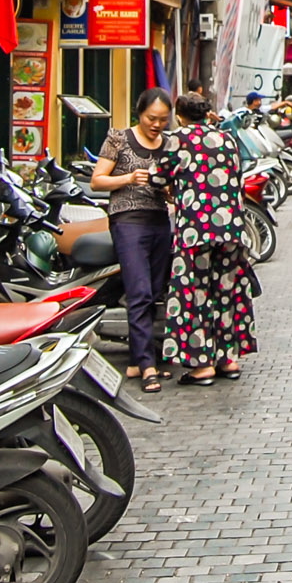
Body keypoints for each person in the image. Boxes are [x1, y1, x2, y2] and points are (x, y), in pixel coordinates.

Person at [161, 91, 256, 385]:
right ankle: (229, 358)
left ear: (180, 115)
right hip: (231, 226)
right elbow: (237, 174)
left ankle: (202, 365)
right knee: (227, 293)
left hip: (195, 229)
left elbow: (158, 177)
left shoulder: (178, 138)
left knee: (195, 294)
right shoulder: (226, 138)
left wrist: (172, 190)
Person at [90, 88, 175, 393]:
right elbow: (97, 180)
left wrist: (168, 191)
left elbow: (172, 184)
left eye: (163, 120)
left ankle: (139, 361)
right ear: (139, 113)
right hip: (127, 221)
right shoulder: (119, 138)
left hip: (159, 221)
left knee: (153, 292)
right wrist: (129, 177)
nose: (157, 125)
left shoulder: (168, 144)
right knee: (138, 291)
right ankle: (147, 365)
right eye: (152, 118)